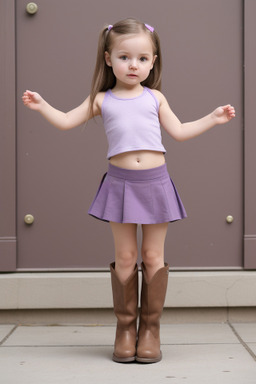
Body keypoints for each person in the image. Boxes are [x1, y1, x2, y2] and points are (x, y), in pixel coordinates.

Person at [22, 18, 235, 364]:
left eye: (142, 59)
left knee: (153, 258)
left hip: (155, 184)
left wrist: (212, 118)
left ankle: (150, 330)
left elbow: (179, 131)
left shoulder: (155, 98)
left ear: (153, 62)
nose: (133, 65)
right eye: (124, 57)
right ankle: (125, 329)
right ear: (108, 59)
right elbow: (65, 120)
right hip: (120, 185)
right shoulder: (102, 100)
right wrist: (42, 105)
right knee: (125, 258)